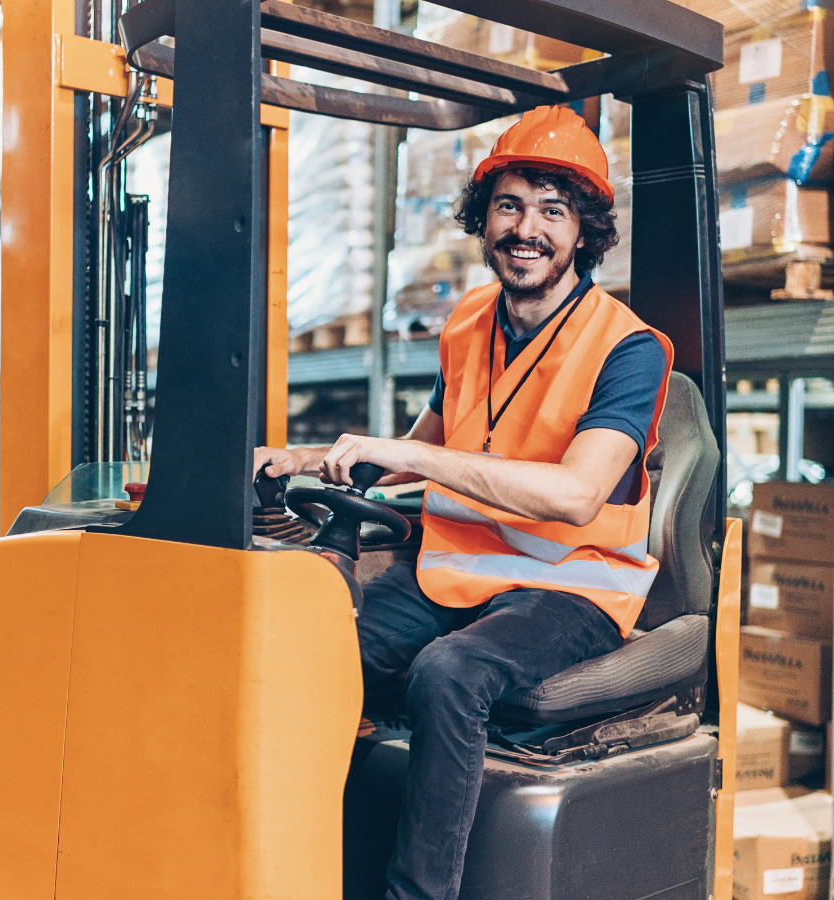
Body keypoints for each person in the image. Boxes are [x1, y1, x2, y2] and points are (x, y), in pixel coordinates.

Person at [254, 105, 675, 900]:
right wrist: (314, 459)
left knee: (450, 674)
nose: (528, 228)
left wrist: (409, 454)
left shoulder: (627, 348)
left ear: (583, 232)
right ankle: (301, 871)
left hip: (571, 588)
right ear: (484, 220)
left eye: (554, 211)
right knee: (307, 644)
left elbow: (580, 495)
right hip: (452, 575)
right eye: (510, 205)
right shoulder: (468, 323)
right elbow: (425, 444)